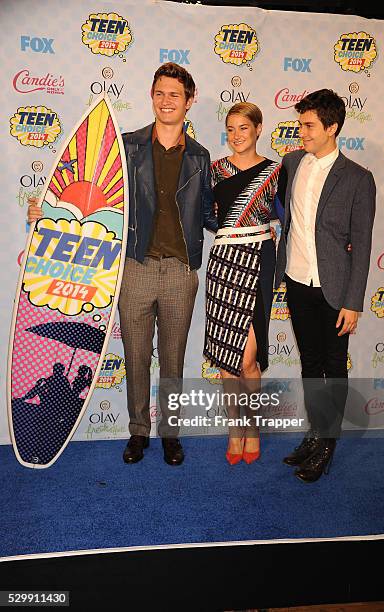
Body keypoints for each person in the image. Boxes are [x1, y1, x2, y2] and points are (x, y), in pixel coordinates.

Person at [28, 62, 218, 466]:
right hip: (133, 267)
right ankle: (138, 433)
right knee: (135, 355)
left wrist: (256, 221)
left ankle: (170, 434)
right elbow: (92, 190)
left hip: (181, 271)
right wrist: (48, 211)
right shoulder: (126, 145)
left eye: (176, 95)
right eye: (160, 93)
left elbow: (209, 215)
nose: (167, 101)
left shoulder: (201, 157)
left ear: (190, 101)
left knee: (173, 357)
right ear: (152, 96)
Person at [274, 88, 376, 483]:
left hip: (335, 290)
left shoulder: (358, 178)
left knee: (334, 368)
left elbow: (363, 247)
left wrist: (354, 302)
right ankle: (314, 434)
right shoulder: (292, 163)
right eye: (301, 124)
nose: (301, 132)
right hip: (297, 283)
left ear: (332, 128)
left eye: (309, 126)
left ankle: (327, 445)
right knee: (309, 363)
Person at [204, 102, 281, 465]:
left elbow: (290, 216)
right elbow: (205, 215)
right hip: (223, 263)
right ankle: (235, 431)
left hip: (258, 260)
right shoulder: (215, 171)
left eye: (243, 129)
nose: (236, 136)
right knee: (225, 360)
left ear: (258, 129)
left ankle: (252, 428)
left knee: (248, 357)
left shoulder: (275, 171)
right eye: (231, 129)